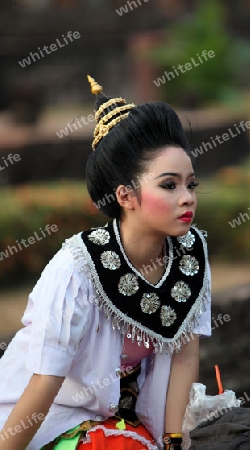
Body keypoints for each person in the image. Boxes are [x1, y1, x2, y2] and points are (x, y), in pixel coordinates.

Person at [0, 75, 211, 450]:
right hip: (54, 415)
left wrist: (175, 436)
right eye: (169, 185)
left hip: (127, 415)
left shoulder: (191, 252)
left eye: (190, 184)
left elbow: (185, 353)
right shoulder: (77, 269)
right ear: (125, 195)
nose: (187, 198)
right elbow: (45, 381)